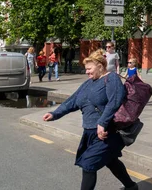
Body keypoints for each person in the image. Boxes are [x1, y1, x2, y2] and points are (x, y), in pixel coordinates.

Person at [42, 49, 137, 190]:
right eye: (86, 69)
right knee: (111, 161)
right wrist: (55, 113)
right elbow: (73, 101)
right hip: (89, 132)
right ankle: (131, 187)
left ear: (100, 66)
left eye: (89, 68)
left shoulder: (111, 78)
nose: (86, 72)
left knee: (88, 165)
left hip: (107, 132)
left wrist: (102, 123)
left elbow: (114, 101)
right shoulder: (88, 83)